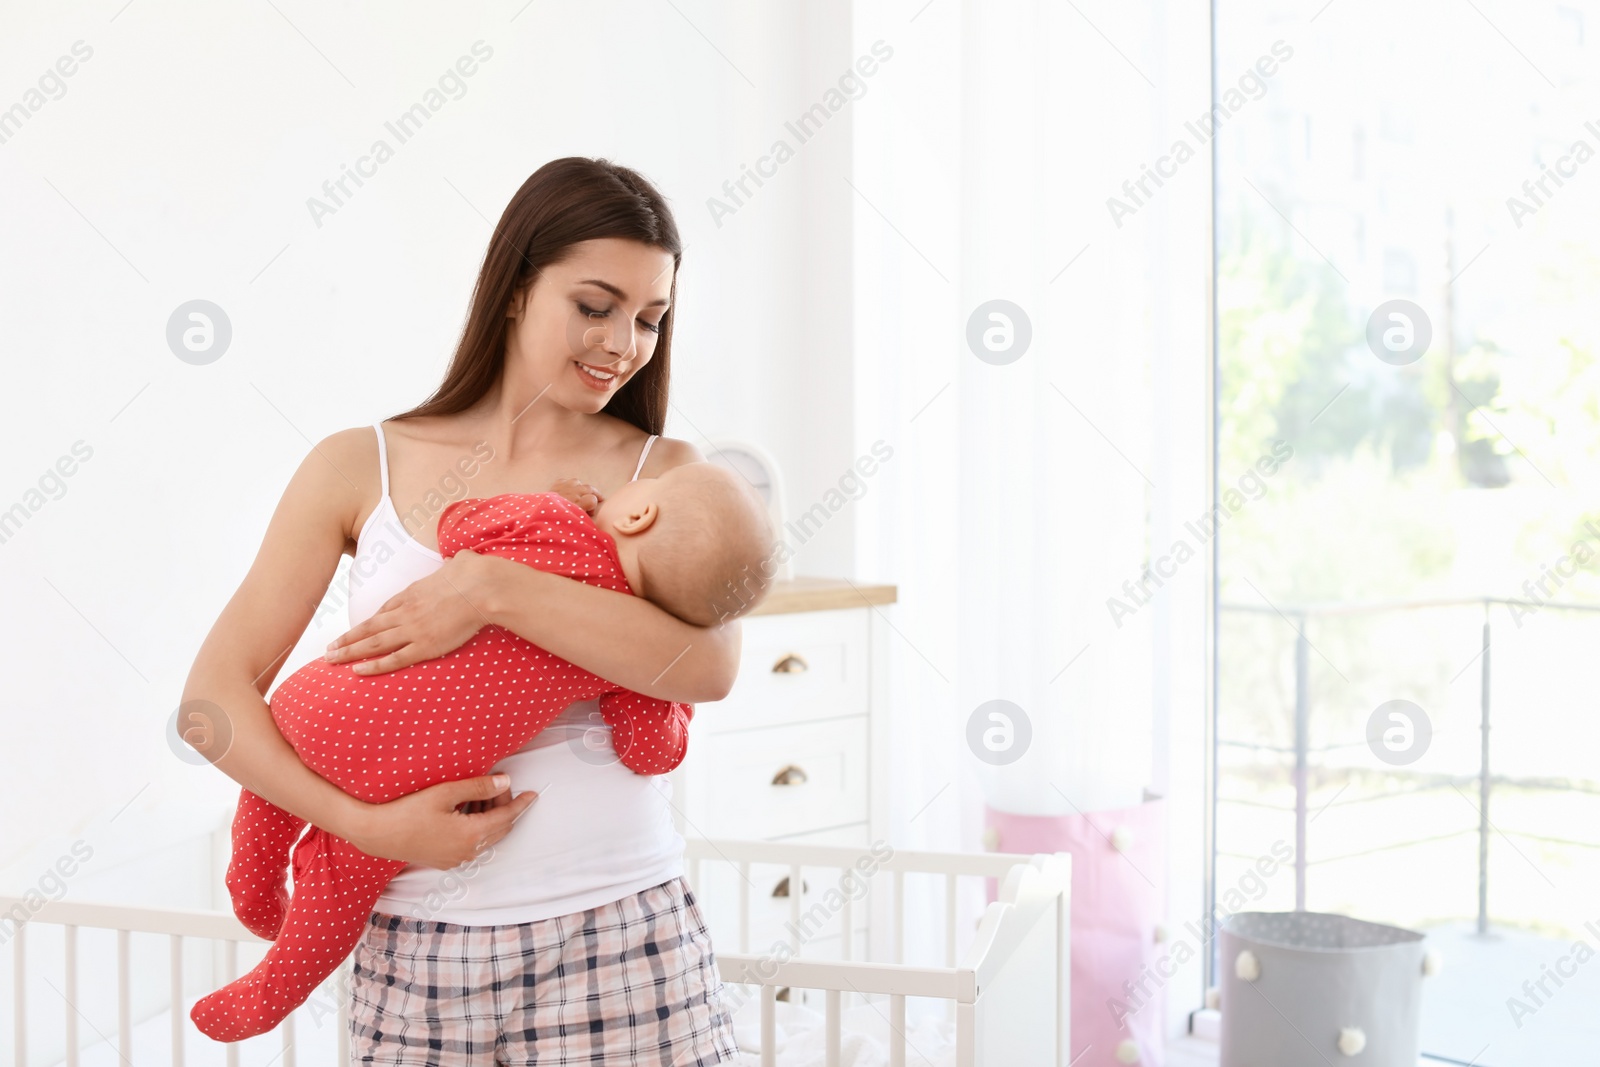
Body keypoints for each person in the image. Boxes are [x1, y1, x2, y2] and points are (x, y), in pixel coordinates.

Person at [181, 157, 747, 1063]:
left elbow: (710, 667)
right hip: (415, 954)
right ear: (518, 288)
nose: (624, 343)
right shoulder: (357, 463)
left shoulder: (664, 476)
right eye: (595, 305)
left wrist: (492, 589)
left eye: (650, 317)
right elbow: (211, 702)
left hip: (618, 934)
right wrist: (364, 826)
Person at [191, 463, 775, 1040]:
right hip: (396, 779)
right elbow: (650, 751)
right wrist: (674, 705)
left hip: (322, 697)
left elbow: (457, 527)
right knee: (337, 888)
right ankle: (270, 992)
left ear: (638, 512)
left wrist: (545, 499)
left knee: (268, 796)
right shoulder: (630, 640)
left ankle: (253, 885)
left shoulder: (550, 522)